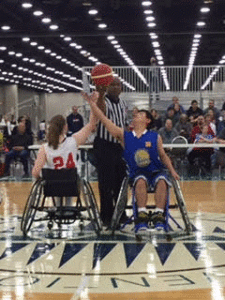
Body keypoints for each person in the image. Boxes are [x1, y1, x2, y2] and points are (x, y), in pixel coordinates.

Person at [82, 91, 180, 233]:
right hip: (138, 173)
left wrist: (172, 171)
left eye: (140, 114)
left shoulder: (155, 136)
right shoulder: (125, 136)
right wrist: (92, 104)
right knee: (139, 181)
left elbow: (163, 156)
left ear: (147, 120)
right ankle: (141, 215)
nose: (135, 115)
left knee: (162, 181)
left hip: (156, 171)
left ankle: (159, 214)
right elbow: (104, 119)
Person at [32, 93, 98, 206]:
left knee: (55, 184)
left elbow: (35, 172)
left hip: (52, 186)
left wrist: (43, 179)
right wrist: (92, 104)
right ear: (64, 127)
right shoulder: (73, 141)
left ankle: (58, 208)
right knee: (71, 181)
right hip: (71, 184)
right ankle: (68, 207)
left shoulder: (44, 148)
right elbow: (92, 124)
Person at [93, 77, 127, 227]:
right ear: (107, 87)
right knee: (106, 183)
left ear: (121, 87)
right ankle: (106, 215)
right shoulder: (103, 101)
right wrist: (100, 94)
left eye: (117, 85)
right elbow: (101, 111)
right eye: (112, 85)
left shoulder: (123, 103)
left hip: (119, 146)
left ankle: (120, 213)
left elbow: (124, 125)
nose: (114, 87)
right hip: (104, 146)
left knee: (121, 181)